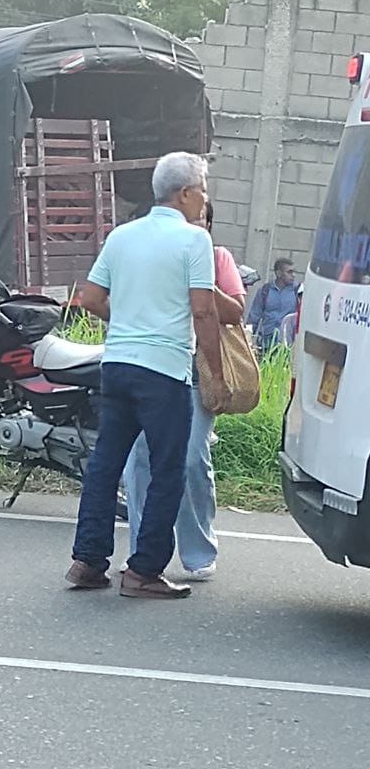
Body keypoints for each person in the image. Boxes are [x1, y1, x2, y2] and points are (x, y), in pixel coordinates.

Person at [65, 152, 226, 601]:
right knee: (167, 468)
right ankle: (144, 570)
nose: (205, 200)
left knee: (105, 465)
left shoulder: (122, 235)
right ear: (187, 192)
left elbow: (92, 298)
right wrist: (213, 372)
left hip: (117, 366)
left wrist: (129, 321)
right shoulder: (194, 241)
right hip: (164, 372)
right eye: (204, 190)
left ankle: (88, 561)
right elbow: (203, 309)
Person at [123, 200, 244, 581]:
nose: (194, 225)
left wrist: (199, 276)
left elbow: (235, 312)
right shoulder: (151, 253)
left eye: (201, 220)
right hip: (152, 368)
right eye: (188, 218)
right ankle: (142, 554)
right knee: (141, 460)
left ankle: (198, 550)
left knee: (191, 458)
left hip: (197, 373)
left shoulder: (217, 258)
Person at [247, 258, 297, 349]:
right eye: (289, 272)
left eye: (294, 272)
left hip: (287, 344)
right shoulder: (265, 291)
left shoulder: (297, 291)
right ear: (278, 273)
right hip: (266, 343)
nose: (293, 275)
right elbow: (254, 317)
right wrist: (248, 340)